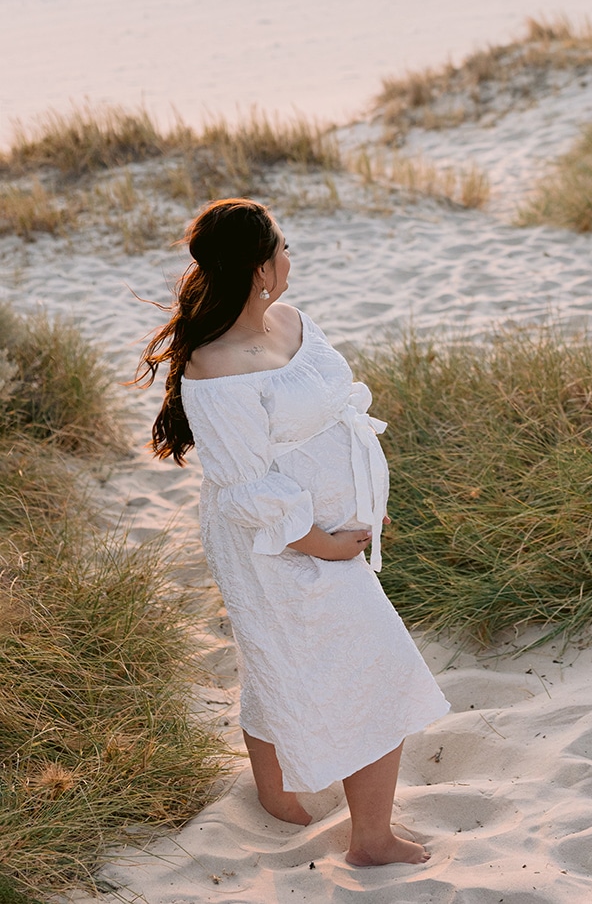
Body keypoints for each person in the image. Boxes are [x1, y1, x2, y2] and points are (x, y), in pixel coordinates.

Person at [137, 197, 449, 866]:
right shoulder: (215, 366)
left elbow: (336, 412)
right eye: (283, 247)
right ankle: (370, 840)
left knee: (275, 649)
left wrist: (366, 498)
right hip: (275, 541)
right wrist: (323, 543)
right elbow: (248, 487)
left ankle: (277, 793)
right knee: (370, 665)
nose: (289, 258)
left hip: (330, 526)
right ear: (258, 267)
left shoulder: (292, 321)